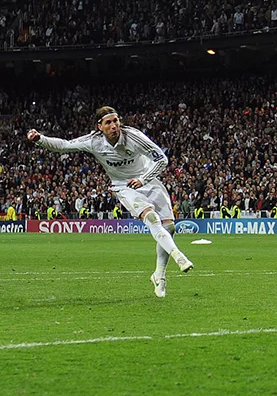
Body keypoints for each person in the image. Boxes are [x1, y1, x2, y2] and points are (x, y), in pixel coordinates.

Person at [28, 106, 193, 298]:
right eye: (108, 122)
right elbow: (64, 145)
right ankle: (178, 256)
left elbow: (161, 160)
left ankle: (159, 274)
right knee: (151, 217)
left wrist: (144, 179)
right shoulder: (93, 142)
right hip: (124, 186)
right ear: (100, 126)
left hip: (148, 179)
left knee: (170, 227)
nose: (114, 125)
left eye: (116, 121)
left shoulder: (134, 136)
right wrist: (40, 139)